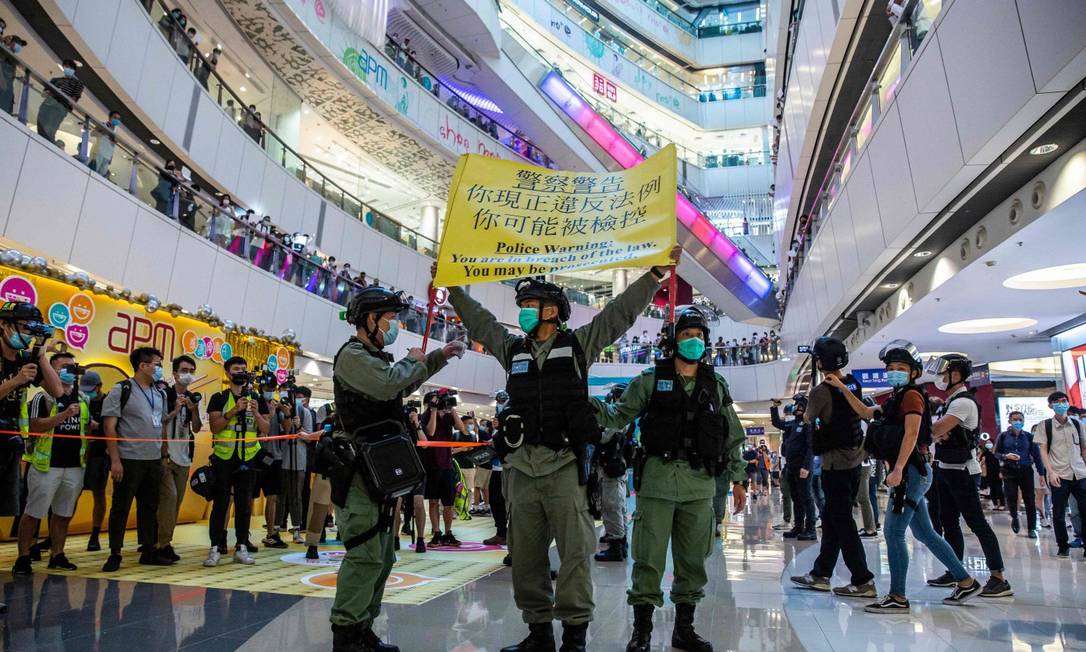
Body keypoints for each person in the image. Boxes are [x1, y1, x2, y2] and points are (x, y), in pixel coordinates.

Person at [440, 245, 680, 652]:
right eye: (523, 305)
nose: (524, 311)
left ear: (553, 310)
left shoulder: (579, 345)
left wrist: (654, 274)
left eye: (531, 304)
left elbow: (618, 315)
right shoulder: (513, 349)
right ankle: (538, 632)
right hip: (521, 468)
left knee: (574, 556)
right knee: (526, 557)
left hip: (565, 467)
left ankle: (574, 636)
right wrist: (455, 290)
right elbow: (481, 324)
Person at [594, 307, 746, 652]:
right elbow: (618, 416)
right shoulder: (650, 379)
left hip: (699, 487)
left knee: (693, 561)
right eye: (686, 335)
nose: (693, 341)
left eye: (699, 336)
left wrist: (739, 479)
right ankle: (642, 631)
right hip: (658, 484)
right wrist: (584, 402)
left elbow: (733, 436)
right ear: (673, 339)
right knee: (648, 560)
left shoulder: (716, 384)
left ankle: (684, 629)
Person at [329, 287, 463, 651]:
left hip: (380, 472)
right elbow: (389, 383)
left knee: (384, 556)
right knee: (365, 554)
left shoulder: (374, 356)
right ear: (369, 320)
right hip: (358, 473)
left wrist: (438, 357)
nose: (394, 325)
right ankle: (346, 634)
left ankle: (363, 629)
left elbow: (403, 383)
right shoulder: (353, 356)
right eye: (389, 318)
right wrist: (414, 359)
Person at [824, 340, 982, 613]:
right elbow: (865, 411)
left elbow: (911, 433)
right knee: (925, 533)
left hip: (910, 472)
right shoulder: (898, 397)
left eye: (900, 368)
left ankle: (898, 596)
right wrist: (841, 388)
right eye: (891, 368)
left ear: (913, 372)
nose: (894, 372)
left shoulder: (911, 396)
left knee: (894, 532)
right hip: (912, 472)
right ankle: (965, 581)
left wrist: (897, 470)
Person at [791, 337, 874, 598]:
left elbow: (808, 417)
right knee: (832, 518)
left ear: (819, 362)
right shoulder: (853, 383)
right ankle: (821, 574)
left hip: (835, 464)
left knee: (843, 522)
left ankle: (862, 579)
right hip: (855, 461)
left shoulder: (820, 391)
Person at [923, 355, 1011, 596]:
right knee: (948, 522)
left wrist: (938, 433)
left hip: (963, 471)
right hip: (946, 468)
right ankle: (956, 570)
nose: (940, 379)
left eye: (944, 374)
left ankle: (998, 576)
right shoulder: (950, 401)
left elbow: (936, 430)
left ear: (956, 374)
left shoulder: (962, 403)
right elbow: (939, 433)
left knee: (976, 522)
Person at [12, 353, 88, 575]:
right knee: (34, 512)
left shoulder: (81, 398)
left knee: (64, 513)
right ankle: (23, 556)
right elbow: (35, 427)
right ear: (50, 370)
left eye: (73, 367)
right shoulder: (41, 398)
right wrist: (63, 415)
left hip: (74, 465)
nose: (70, 371)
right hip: (47, 466)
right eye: (64, 367)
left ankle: (58, 554)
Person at [102, 347, 173, 571]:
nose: (160, 369)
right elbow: (109, 426)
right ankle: (115, 552)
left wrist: (163, 456)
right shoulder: (121, 389)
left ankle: (148, 550)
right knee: (121, 507)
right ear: (143, 366)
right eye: (157, 364)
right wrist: (115, 460)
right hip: (128, 458)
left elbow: (160, 424)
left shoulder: (160, 393)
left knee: (150, 506)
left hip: (153, 460)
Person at [203, 357, 270, 567]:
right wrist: (234, 411)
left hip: (248, 459)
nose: (240, 372)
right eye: (236, 369)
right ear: (227, 373)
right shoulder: (219, 398)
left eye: (243, 369)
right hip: (223, 459)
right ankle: (215, 547)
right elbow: (215, 427)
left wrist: (256, 412)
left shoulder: (255, 397)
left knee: (244, 505)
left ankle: (241, 546)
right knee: (221, 504)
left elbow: (266, 429)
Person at [155, 355, 202, 562]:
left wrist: (193, 410)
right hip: (165, 455)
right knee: (167, 500)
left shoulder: (193, 397)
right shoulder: (163, 394)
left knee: (176, 503)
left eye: (191, 370)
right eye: (184, 370)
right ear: (174, 373)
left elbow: (198, 427)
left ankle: (165, 542)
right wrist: (175, 410)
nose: (188, 374)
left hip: (184, 456)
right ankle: (159, 543)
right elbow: (158, 422)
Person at [1035, 391, 1086, 558]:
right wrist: (1050, 472)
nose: (1061, 404)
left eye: (1064, 401)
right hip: (1059, 475)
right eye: (1057, 401)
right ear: (1050, 405)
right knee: (1058, 513)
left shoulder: (1077, 424)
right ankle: (1063, 545)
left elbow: (1083, 449)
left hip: (1079, 473)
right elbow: (1043, 450)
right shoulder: (1045, 426)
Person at [421, 388, 468, 546]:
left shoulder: (449, 416)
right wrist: (434, 410)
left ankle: (448, 532)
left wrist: (452, 407)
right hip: (432, 465)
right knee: (433, 501)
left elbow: (462, 428)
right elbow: (431, 432)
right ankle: (436, 532)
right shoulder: (426, 415)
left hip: (447, 464)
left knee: (448, 503)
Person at [594, 383, 634, 562]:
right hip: (614, 465)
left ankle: (616, 544)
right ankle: (618, 537)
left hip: (612, 467)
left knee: (612, 506)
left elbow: (603, 437)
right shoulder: (624, 415)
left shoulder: (620, 417)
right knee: (615, 505)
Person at [773, 395, 815, 541]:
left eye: (800, 405)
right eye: (796, 405)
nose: (797, 407)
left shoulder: (808, 424)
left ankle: (811, 529)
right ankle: (798, 527)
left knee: (806, 498)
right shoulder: (793, 424)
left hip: (802, 467)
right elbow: (777, 423)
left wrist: (806, 466)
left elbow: (811, 447)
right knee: (796, 498)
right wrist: (774, 408)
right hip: (791, 466)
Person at [79, 371, 107, 551]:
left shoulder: (108, 401)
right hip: (80, 453)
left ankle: (95, 534)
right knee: (73, 494)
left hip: (100, 453)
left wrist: (99, 427)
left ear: (99, 387)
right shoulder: (80, 400)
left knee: (99, 493)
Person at [37, 59, 84, 144]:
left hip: (60, 107)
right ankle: (41, 140)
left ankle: (48, 142)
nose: (67, 69)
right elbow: (44, 93)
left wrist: (59, 95)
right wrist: (51, 92)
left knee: (50, 127)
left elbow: (73, 100)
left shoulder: (78, 83)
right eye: (65, 67)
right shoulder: (55, 80)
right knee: (41, 123)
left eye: (69, 67)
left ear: (73, 70)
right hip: (47, 104)